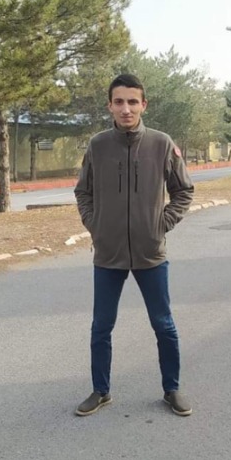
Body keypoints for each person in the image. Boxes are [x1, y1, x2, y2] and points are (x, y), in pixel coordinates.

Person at [73, 73, 194, 417]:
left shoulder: (161, 143)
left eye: (132, 102)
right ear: (110, 106)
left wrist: (161, 224)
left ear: (144, 105)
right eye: (119, 102)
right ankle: (100, 391)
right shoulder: (98, 145)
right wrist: (95, 225)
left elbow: (184, 191)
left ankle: (172, 389)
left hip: (150, 253)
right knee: (101, 327)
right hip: (108, 254)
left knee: (163, 324)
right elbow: (83, 191)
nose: (126, 109)